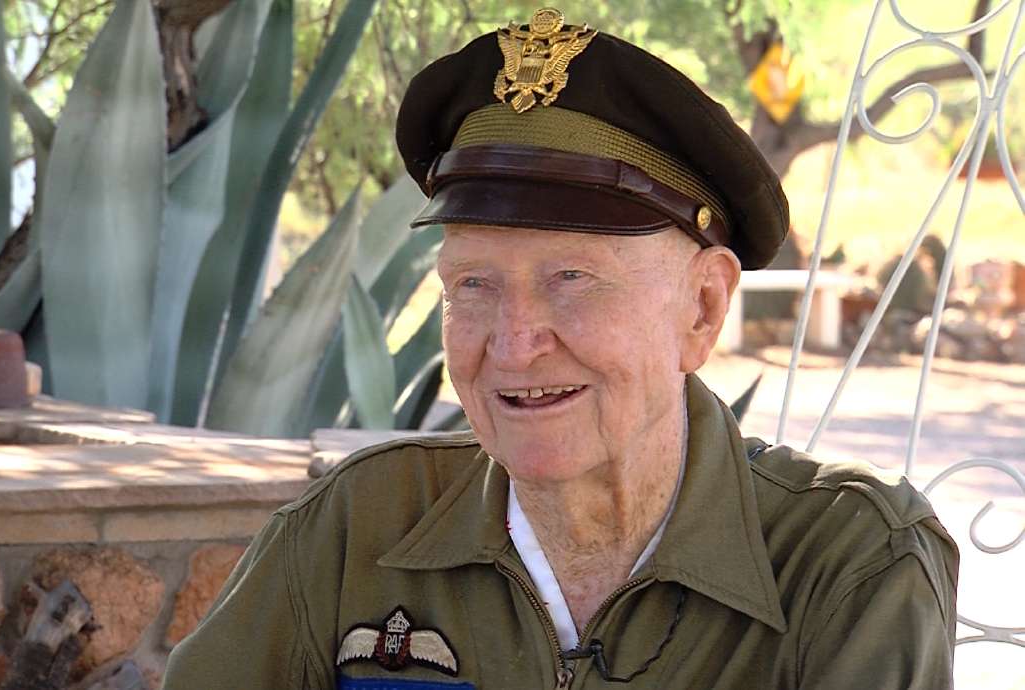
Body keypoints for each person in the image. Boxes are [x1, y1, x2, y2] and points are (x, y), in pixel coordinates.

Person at [163, 8, 958, 689]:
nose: (512, 343)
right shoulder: (354, 530)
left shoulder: (848, 566)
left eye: (571, 277)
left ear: (702, 307)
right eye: (472, 283)